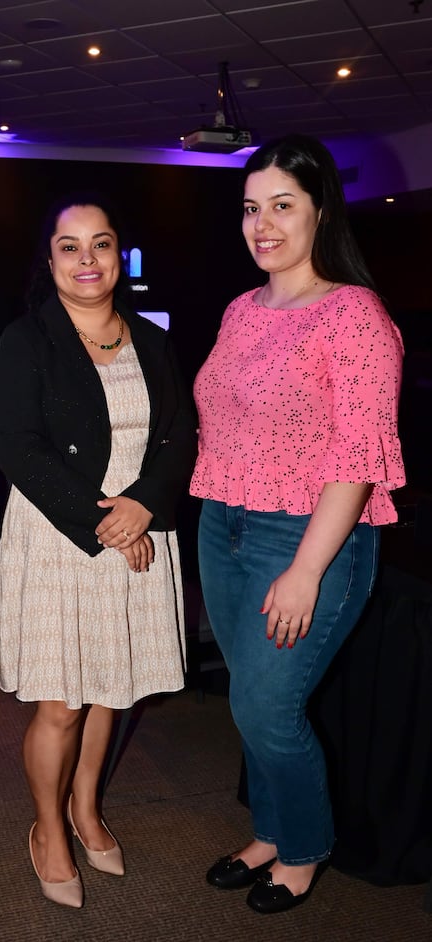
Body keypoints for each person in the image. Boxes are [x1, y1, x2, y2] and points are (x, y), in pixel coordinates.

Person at [190, 134, 405, 914]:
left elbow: (358, 458)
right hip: (226, 524)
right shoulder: (241, 310)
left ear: (320, 211)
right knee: (249, 695)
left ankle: (307, 847)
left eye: (283, 205)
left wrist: (307, 569)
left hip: (308, 536)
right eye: (252, 208)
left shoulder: (354, 315)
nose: (263, 224)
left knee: (268, 707)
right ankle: (273, 831)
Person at [0, 194, 195, 908]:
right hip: (60, 534)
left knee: (114, 684)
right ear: (50, 261)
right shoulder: (26, 340)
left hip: (137, 526)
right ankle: (47, 827)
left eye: (101, 244)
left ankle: (85, 809)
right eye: (69, 247)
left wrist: (143, 507)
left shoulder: (152, 339)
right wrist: (108, 523)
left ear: (119, 257)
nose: (86, 260)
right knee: (63, 704)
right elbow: (20, 448)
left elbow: (178, 437)